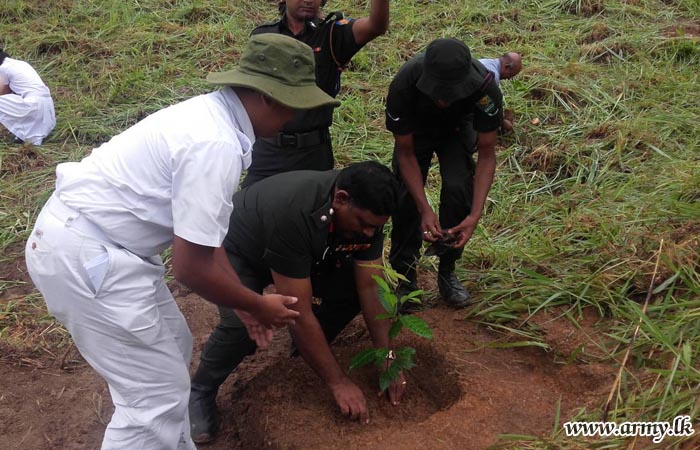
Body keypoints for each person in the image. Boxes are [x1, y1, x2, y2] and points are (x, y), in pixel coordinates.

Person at [24, 33, 340, 450]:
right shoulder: (215, 145)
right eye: (293, 106)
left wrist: (241, 302)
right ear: (267, 97)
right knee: (151, 401)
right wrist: (255, 304)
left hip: (99, 245)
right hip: (89, 255)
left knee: (174, 347)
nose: (293, 119)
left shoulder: (213, 119)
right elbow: (191, 267)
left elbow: (207, 244)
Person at [188, 162, 403, 443]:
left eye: (376, 228)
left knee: (353, 290)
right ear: (340, 199)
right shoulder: (294, 212)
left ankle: (304, 355)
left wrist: (385, 355)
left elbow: (370, 287)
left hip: (305, 251)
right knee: (244, 325)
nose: (369, 234)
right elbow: (297, 310)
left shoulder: (364, 215)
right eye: (364, 224)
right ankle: (200, 390)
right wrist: (338, 383)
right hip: (239, 250)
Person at [386, 38, 504, 308]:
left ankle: (448, 271)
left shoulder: (485, 89)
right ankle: (405, 278)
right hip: (416, 131)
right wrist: (424, 208)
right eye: (437, 91)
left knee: (459, 187)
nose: (442, 99)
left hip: (456, 130)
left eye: (449, 92)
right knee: (405, 198)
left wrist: (474, 216)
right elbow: (406, 154)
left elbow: (487, 154)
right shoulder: (404, 84)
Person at [242, 0, 390, 186]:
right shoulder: (263, 36)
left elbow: (376, 26)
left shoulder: (332, 34)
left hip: (313, 153)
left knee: (311, 211)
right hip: (267, 151)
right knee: (249, 209)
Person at [0, 48, 56, 145]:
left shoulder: (3, 68)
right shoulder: (20, 63)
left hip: (33, 104)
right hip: (47, 107)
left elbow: (3, 92)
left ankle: (21, 134)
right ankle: (21, 135)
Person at [479, 52, 522, 130]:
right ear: (506, 67)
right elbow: (487, 106)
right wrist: (501, 122)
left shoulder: (484, 61)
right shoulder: (492, 77)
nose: (508, 79)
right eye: (510, 75)